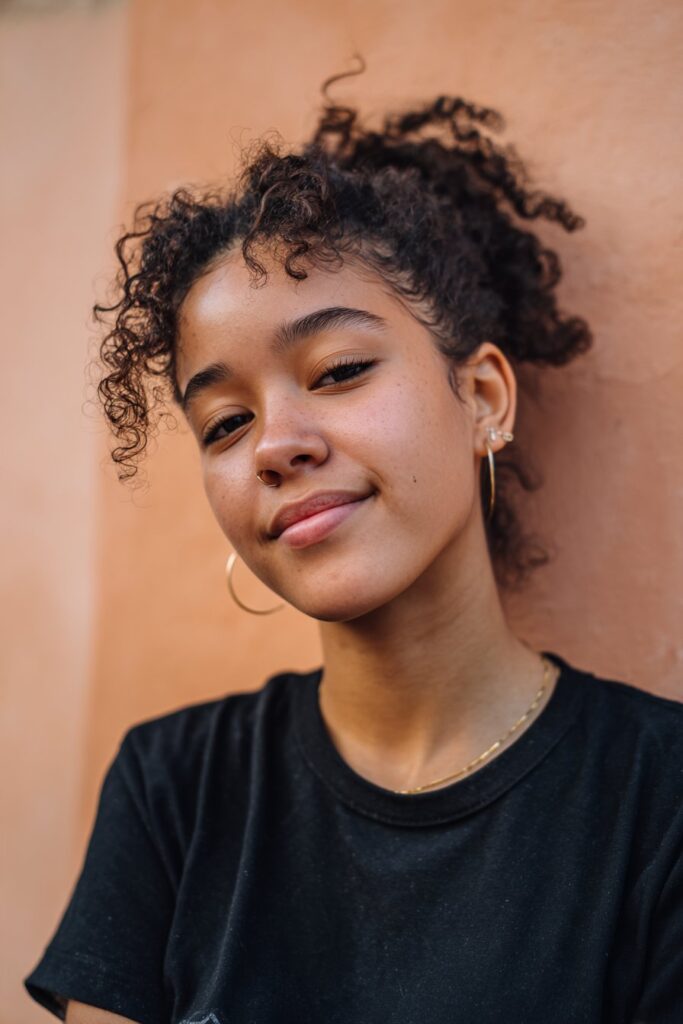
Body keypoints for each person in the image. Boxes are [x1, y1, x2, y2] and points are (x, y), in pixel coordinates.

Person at [25, 77, 683, 1023]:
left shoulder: (655, 802)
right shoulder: (176, 789)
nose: (273, 444)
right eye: (222, 423)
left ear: (484, 400)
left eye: (338, 371)